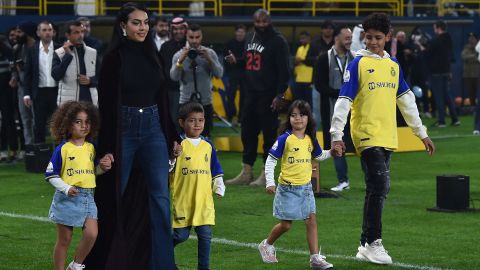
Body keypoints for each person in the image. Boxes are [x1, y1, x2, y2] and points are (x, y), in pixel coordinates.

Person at [329, 13, 435, 265]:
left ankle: (365, 244)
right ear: (363, 37)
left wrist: (422, 133)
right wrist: (336, 135)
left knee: (374, 189)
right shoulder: (357, 64)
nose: (373, 42)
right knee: (380, 185)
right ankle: (374, 242)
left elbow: (407, 102)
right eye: (368, 38)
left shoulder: (394, 65)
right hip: (365, 133)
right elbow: (344, 100)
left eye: (378, 38)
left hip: (387, 136)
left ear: (388, 37)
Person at [86, 3, 179, 270]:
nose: (143, 28)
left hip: (153, 130)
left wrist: (172, 135)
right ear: (123, 26)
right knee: (114, 195)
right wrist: (104, 149)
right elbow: (105, 107)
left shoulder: (155, 54)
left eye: (146, 22)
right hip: (122, 130)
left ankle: (162, 265)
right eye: (137, 23)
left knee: (161, 199)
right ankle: (106, 261)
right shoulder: (113, 58)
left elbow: (162, 100)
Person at [257, 100, 334, 269]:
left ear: (308, 118)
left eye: (302, 115)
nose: (297, 119)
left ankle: (314, 258)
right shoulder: (285, 139)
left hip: (306, 188)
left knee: (311, 220)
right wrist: (269, 182)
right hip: (287, 189)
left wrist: (332, 152)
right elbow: (271, 160)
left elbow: (319, 156)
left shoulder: (310, 139)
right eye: (293, 115)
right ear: (289, 118)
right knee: (286, 224)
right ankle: (266, 244)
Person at [45, 101, 113, 270]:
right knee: (65, 239)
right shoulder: (63, 149)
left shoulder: (91, 148)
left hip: (88, 197)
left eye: (87, 122)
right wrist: (66, 188)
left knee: (92, 234)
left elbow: (92, 172)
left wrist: (102, 167)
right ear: (68, 124)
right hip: (67, 198)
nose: (84, 126)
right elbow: (50, 175)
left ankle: (75, 265)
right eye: (78, 121)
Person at [226, 9, 290, 187]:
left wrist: (279, 95)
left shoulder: (278, 41)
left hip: (269, 95)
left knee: (269, 135)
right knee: (248, 133)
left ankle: (266, 174)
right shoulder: (250, 37)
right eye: (258, 22)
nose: (261, 25)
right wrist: (236, 60)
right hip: (249, 93)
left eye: (264, 21)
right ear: (253, 22)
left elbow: (284, 72)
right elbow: (249, 61)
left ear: (270, 21)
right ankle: (246, 171)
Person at [170, 102, 226, 270]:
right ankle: (162, 255)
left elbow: (215, 167)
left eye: (200, 120)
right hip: (183, 200)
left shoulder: (208, 145)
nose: (197, 124)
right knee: (180, 236)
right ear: (182, 122)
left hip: (204, 202)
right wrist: (173, 156)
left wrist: (219, 184)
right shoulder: (177, 144)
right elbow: (168, 168)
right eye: (192, 120)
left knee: (205, 236)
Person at [314, 24, 355, 192]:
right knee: (337, 144)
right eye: (346, 38)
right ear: (336, 38)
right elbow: (319, 85)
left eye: (351, 39)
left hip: (354, 111)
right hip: (332, 110)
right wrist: (340, 94)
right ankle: (343, 181)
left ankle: (371, 180)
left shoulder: (354, 59)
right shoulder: (324, 58)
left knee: (362, 145)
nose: (349, 42)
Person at [170, 23, 223, 137]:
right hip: (185, 103)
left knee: (204, 139)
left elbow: (219, 74)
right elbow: (174, 77)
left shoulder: (210, 53)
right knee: (184, 139)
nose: (194, 41)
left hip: (205, 103)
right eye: (191, 37)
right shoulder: (179, 55)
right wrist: (181, 60)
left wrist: (209, 60)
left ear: (201, 37)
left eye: (197, 37)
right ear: (186, 37)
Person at [24, 21, 61, 144]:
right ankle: (40, 156)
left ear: (53, 33)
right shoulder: (32, 50)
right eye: (44, 30)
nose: (47, 33)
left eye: (49, 30)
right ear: (38, 33)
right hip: (39, 93)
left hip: (56, 91)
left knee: (58, 124)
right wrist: (26, 94)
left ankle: (60, 155)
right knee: (39, 125)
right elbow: (28, 74)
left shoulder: (60, 48)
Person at [51, 20, 99, 106]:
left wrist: (90, 81)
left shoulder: (93, 52)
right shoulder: (59, 53)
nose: (80, 35)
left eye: (82, 32)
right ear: (67, 35)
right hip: (68, 105)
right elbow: (56, 76)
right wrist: (67, 56)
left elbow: (102, 77)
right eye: (76, 32)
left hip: (90, 103)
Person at [426, 20, 460, 127]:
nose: (434, 29)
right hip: (446, 71)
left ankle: (441, 121)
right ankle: (455, 119)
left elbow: (429, 53)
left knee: (439, 97)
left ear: (438, 28)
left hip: (436, 72)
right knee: (447, 95)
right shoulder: (448, 39)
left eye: (435, 27)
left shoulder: (436, 41)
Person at [159, 17, 188, 132]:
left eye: (181, 29)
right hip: (171, 90)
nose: (178, 31)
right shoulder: (165, 47)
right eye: (175, 29)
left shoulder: (191, 46)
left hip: (189, 90)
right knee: (174, 120)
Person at [224, 24, 247, 123]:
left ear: (245, 33)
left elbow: (246, 60)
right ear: (235, 32)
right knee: (230, 95)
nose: (240, 34)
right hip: (233, 73)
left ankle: (241, 118)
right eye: (239, 31)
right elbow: (226, 59)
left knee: (244, 96)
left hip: (245, 73)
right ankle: (230, 115)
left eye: (242, 32)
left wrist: (236, 60)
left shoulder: (248, 44)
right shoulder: (229, 44)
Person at [292, 31, 315, 107]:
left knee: (308, 102)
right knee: (298, 102)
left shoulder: (312, 47)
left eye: (303, 38)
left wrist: (301, 60)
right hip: (298, 78)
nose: (302, 40)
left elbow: (313, 60)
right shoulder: (299, 48)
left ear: (309, 38)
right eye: (300, 39)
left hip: (308, 79)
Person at [461, 32, 479, 107]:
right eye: (469, 38)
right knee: (471, 94)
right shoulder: (466, 47)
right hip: (468, 75)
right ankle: (473, 108)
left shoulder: (478, 48)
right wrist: (474, 56)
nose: (471, 40)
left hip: (478, 75)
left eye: (472, 38)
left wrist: (471, 58)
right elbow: (464, 57)